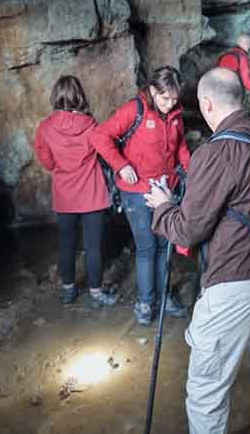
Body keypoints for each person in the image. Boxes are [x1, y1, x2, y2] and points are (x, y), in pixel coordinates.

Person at [146, 67, 250, 434]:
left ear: (207, 103)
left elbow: (189, 230)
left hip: (235, 281)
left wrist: (163, 207)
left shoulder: (216, 152)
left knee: (207, 390)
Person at [91, 66, 192, 326]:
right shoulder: (134, 110)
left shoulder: (176, 116)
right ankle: (147, 302)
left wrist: (192, 171)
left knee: (164, 245)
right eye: (165, 98)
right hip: (137, 190)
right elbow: (100, 137)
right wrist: (121, 165)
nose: (170, 104)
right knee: (147, 247)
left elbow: (180, 146)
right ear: (152, 90)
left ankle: (163, 295)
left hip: (165, 188)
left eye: (174, 98)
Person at [34, 75, 118, 308]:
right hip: (92, 193)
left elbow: (47, 161)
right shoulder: (91, 125)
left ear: (55, 96)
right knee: (93, 246)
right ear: (79, 95)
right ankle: (96, 292)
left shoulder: (45, 128)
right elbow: (105, 151)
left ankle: (69, 290)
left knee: (66, 243)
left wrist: (60, 166)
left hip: (65, 193)